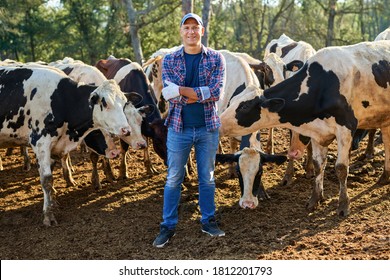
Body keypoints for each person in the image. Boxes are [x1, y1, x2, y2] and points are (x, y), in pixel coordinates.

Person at [153, 13, 226, 248]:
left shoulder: (216, 59)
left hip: (208, 128)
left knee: (207, 177)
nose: (192, 31)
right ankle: (168, 226)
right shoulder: (170, 60)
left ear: (202, 31)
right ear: (181, 31)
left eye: (196, 27)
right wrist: (198, 94)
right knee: (174, 177)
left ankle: (208, 221)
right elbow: (169, 96)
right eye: (187, 27)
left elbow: (216, 93)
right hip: (178, 128)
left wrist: (182, 90)